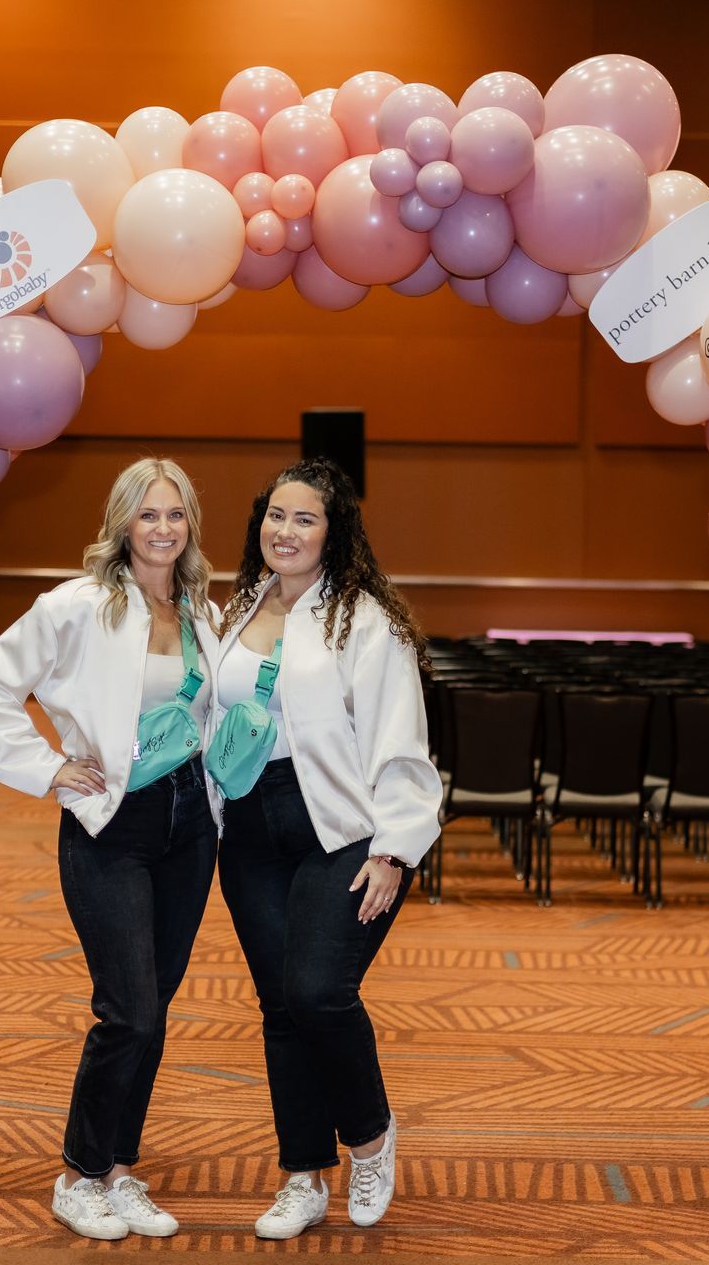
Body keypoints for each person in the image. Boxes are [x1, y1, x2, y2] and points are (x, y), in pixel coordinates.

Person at [0, 458, 219, 1241]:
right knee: (129, 1012)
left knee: (157, 1006)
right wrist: (50, 768)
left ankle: (118, 1170)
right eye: (149, 516)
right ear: (123, 524)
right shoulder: (78, 606)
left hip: (191, 829)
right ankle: (77, 1174)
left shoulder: (205, 610)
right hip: (112, 824)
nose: (164, 529)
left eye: (176, 515)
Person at [204, 458, 442, 1238]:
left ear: (334, 534)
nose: (286, 531)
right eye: (276, 516)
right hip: (247, 827)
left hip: (342, 830)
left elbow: (401, 741)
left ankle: (370, 1138)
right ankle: (302, 1174)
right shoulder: (236, 607)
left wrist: (395, 850)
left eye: (305, 519)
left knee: (317, 992)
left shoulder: (363, 619)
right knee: (279, 1005)